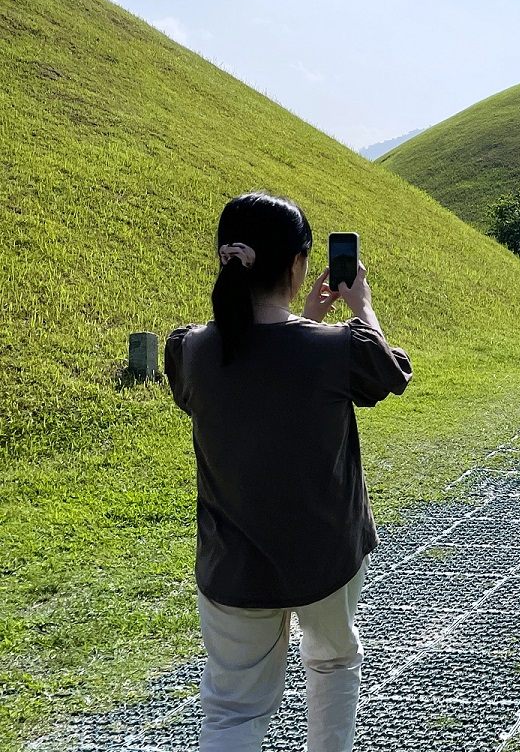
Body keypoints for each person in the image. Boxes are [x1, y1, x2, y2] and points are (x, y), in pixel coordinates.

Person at [164, 192, 412, 752]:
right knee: (332, 664)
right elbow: (389, 374)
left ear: (228, 259)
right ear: (299, 264)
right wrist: (362, 307)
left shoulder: (190, 350)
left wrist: (309, 322)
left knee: (232, 712)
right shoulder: (333, 349)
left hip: (232, 564)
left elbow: (254, 371)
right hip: (325, 557)